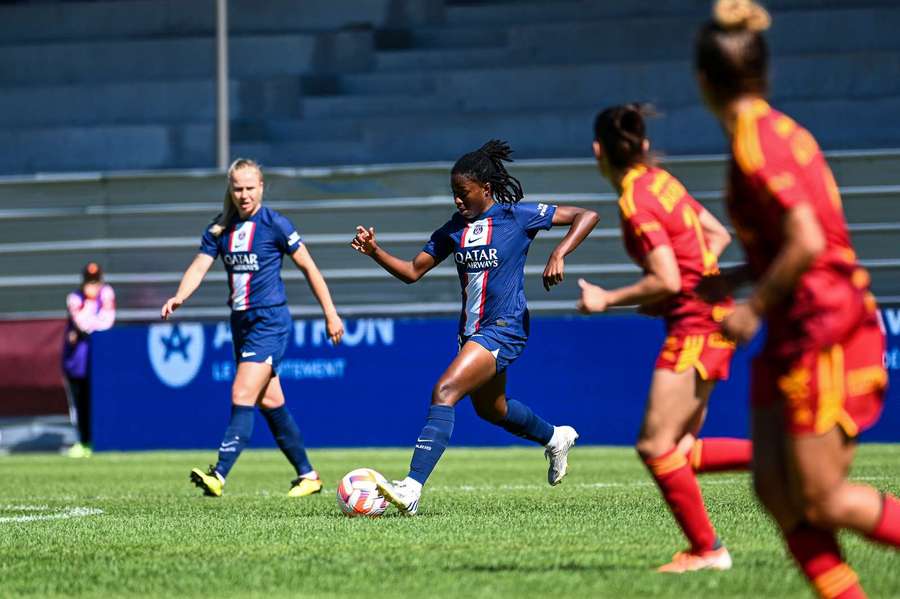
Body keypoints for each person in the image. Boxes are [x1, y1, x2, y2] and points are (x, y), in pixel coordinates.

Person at [694, 1, 899, 595]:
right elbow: (791, 238)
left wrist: (752, 307)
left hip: (826, 326)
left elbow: (808, 240)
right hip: (794, 326)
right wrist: (735, 281)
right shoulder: (767, 133)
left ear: (704, 81)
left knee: (821, 496)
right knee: (775, 491)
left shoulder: (760, 145)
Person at [350, 139, 599, 515]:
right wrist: (375, 252)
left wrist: (558, 253)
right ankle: (555, 436)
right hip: (473, 333)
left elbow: (587, 215)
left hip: (505, 328)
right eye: (453, 194)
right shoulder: (454, 229)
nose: (457, 201)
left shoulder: (518, 216)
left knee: (445, 390)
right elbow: (412, 272)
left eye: (463, 193)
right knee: (492, 410)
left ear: (485, 189)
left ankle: (411, 488)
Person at [577, 104, 752, 573]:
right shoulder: (663, 182)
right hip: (712, 317)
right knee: (679, 451)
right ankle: (779, 462)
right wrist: (685, 282)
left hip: (696, 326)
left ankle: (708, 551)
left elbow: (668, 278)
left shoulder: (636, 199)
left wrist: (606, 298)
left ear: (598, 151)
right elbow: (717, 236)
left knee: (655, 446)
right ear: (645, 146)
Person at [161, 158, 344, 498]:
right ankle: (309, 475)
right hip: (240, 323)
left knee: (241, 394)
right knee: (270, 401)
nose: (243, 195)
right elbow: (199, 267)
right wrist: (180, 296)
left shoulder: (275, 224)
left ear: (261, 188)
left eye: (249, 188)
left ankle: (219, 474)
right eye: (237, 188)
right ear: (229, 190)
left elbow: (310, 268)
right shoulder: (220, 229)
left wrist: (330, 314)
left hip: (269, 322)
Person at [62, 261, 116, 458]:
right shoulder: (75, 298)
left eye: (96, 280)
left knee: (98, 401)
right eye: (89, 280)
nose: (93, 285)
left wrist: (90, 325)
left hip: (100, 360)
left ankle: (98, 440)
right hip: (77, 362)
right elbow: (82, 323)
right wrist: (92, 309)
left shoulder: (107, 293)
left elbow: (107, 321)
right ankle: (83, 441)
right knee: (80, 402)